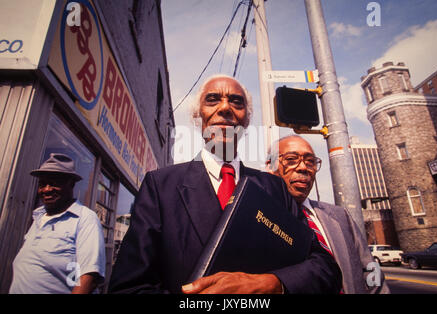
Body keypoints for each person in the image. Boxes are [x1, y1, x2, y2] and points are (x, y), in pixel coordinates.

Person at [108, 74, 342, 294]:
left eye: (236, 102)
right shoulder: (161, 187)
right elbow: (128, 287)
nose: (225, 108)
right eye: (212, 100)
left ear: (247, 119)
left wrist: (273, 283)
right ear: (197, 117)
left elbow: (325, 268)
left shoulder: (274, 188)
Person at [266, 135, 390, 293]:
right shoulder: (259, 216)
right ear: (270, 167)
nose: (303, 167)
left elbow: (371, 271)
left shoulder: (340, 216)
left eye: (310, 161)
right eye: (291, 159)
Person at [9, 153, 105, 294]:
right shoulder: (39, 217)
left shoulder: (84, 218)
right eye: (42, 184)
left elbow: (88, 278)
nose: (46, 189)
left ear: (71, 184)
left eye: (54, 183)